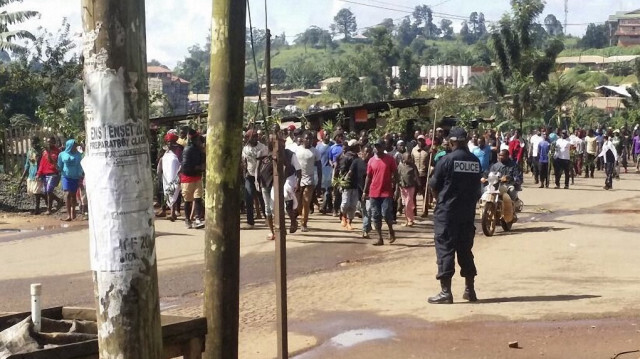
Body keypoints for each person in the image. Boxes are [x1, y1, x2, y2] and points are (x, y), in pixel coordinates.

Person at [428, 127, 482, 304]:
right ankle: (470, 290)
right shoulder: (475, 161)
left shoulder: (446, 160)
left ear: (452, 142)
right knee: (465, 250)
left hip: (447, 214)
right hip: (466, 213)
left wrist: (440, 202)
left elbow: (434, 186)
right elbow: (477, 190)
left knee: (445, 250)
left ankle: (446, 292)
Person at [363, 139, 398, 246]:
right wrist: (365, 191)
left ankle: (391, 230)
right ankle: (380, 238)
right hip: (374, 192)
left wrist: (397, 189)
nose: (377, 148)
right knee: (375, 215)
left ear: (383, 147)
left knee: (386, 213)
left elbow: (396, 175)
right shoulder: (371, 161)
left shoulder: (390, 159)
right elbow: (368, 177)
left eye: (379, 146)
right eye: (376, 146)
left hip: (386, 192)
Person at [296, 132, 322, 232]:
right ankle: (296, 218)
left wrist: (319, 181)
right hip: (298, 178)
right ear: (302, 139)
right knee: (298, 203)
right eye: (306, 139)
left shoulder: (315, 152)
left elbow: (319, 167)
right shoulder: (297, 150)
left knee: (306, 202)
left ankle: (304, 223)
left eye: (310, 139)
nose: (308, 141)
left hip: (309, 179)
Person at [242, 130, 268, 228]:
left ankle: (267, 218)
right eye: (252, 137)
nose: (255, 138)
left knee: (262, 198)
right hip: (250, 176)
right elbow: (244, 161)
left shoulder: (262, 147)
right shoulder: (245, 149)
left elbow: (266, 161)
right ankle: (250, 221)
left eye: (256, 137)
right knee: (248, 198)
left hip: (261, 176)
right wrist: (244, 174)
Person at [181, 129, 205, 229]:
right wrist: (198, 167)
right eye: (198, 138)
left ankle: (198, 219)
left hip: (197, 177)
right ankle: (187, 220)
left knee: (198, 198)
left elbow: (203, 160)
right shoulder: (188, 150)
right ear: (194, 139)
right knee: (188, 200)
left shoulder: (199, 149)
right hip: (187, 178)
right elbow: (185, 166)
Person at [57, 139, 84, 221]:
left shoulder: (78, 155)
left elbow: (80, 166)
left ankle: (73, 213)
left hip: (75, 177)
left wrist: (80, 176)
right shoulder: (62, 154)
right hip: (66, 177)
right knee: (68, 194)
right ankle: (68, 215)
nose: (76, 146)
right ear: (70, 146)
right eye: (74, 145)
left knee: (73, 195)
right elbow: (60, 166)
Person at [36, 136, 64, 214]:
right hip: (45, 174)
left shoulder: (58, 152)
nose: (49, 143)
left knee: (48, 191)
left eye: (50, 142)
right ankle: (59, 200)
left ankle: (49, 209)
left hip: (53, 174)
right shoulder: (44, 152)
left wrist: (48, 153)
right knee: (45, 192)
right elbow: (41, 164)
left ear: (54, 142)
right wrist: (38, 173)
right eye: (48, 142)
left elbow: (54, 162)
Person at [20, 136, 46, 214]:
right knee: (33, 191)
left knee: (37, 192)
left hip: (39, 173)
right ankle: (55, 199)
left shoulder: (42, 152)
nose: (34, 144)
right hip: (31, 174)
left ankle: (37, 209)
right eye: (32, 142)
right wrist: (22, 177)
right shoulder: (30, 151)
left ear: (38, 142)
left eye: (35, 142)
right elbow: (27, 164)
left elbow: (43, 163)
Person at [159, 132, 182, 221]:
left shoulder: (178, 149)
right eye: (168, 142)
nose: (169, 143)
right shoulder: (166, 152)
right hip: (168, 175)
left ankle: (174, 212)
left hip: (175, 174)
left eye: (170, 141)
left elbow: (181, 161)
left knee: (174, 192)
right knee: (171, 192)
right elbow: (161, 161)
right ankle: (173, 213)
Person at [398, 152, 418, 227]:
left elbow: (417, 176)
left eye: (410, 157)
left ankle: (410, 220)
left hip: (411, 187)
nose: (410, 158)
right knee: (404, 203)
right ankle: (407, 220)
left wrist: (419, 185)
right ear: (403, 158)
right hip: (402, 187)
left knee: (408, 203)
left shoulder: (413, 166)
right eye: (408, 157)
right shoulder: (400, 166)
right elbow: (398, 175)